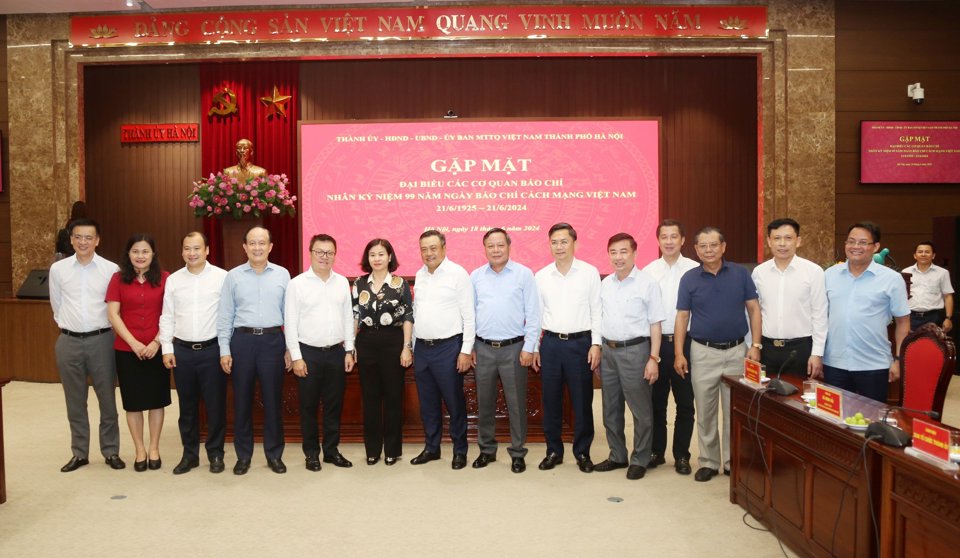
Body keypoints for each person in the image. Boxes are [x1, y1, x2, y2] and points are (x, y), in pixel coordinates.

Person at [674, 226, 761, 482]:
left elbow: (754, 309)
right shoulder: (689, 278)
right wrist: (679, 353)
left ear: (723, 247)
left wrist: (755, 345)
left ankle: (732, 461)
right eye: (703, 246)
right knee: (705, 410)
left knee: (734, 410)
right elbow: (682, 317)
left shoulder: (741, 274)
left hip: (737, 352)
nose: (708, 250)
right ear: (696, 249)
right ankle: (709, 462)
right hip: (702, 352)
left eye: (714, 245)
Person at [49, 217, 125, 472]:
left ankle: (111, 451)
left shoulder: (111, 269)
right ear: (71, 239)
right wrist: (68, 326)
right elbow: (56, 305)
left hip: (102, 340)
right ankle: (79, 452)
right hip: (68, 341)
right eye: (78, 237)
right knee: (75, 400)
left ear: (97, 240)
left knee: (107, 398)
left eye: (89, 237)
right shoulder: (58, 270)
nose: (83, 242)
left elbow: (116, 307)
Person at [217, 225, 292, 475]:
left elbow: (289, 316)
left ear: (270, 247)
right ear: (244, 247)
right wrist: (224, 350)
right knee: (242, 402)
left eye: (262, 243)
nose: (257, 247)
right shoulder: (233, 276)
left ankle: (274, 455)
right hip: (243, 342)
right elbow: (225, 315)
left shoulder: (283, 275)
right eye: (252, 243)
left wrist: (290, 348)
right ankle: (243, 456)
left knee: (272, 402)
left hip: (272, 341)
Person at [470, 228, 540, 473]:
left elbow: (533, 314)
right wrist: (470, 347)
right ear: (485, 249)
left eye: (500, 245)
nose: (496, 250)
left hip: (514, 348)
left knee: (516, 404)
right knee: (485, 403)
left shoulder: (523, 275)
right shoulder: (476, 276)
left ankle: (518, 453)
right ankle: (487, 450)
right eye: (491, 246)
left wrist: (530, 347)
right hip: (484, 347)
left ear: (509, 246)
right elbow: (470, 315)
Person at [533, 223, 602, 473]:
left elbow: (597, 310)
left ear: (575, 243)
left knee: (582, 400)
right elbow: (536, 315)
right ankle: (554, 450)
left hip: (580, 344)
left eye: (564, 241)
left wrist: (596, 344)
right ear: (549, 245)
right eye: (554, 242)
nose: (559, 246)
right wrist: (534, 347)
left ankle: (582, 452)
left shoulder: (589, 273)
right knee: (550, 400)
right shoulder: (541, 276)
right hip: (550, 344)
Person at [158, 232, 229, 474]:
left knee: (215, 406)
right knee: (186, 408)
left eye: (197, 248)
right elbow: (166, 316)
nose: (192, 253)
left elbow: (229, 316)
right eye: (187, 248)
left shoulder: (222, 277)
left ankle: (216, 454)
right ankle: (190, 455)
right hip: (183, 352)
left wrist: (226, 350)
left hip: (213, 350)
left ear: (207, 250)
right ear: (182, 252)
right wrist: (167, 348)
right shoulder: (174, 280)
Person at [596, 233, 665, 480]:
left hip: (636, 351)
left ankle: (640, 458)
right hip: (609, 352)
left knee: (640, 409)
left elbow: (655, 324)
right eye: (613, 252)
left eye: (623, 251)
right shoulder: (605, 283)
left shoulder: (647, 283)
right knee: (610, 408)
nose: (618, 257)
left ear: (634, 253)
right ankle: (617, 455)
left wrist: (653, 359)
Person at [285, 234, 356, 472]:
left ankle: (332, 451)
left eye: (329, 253)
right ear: (311, 253)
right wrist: (296, 356)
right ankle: (311, 453)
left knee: (334, 405)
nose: (324, 257)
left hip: (336, 353)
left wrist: (349, 350)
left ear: (335, 255)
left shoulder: (342, 282)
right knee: (309, 406)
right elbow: (291, 321)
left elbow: (348, 318)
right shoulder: (297, 284)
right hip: (308, 353)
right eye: (320, 252)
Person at [823, 222, 910, 402]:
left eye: (863, 242)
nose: (855, 247)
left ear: (876, 247)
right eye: (851, 241)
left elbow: (903, 323)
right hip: (833, 363)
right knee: (832, 422)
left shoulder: (892, 279)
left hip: (873, 365)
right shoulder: (829, 275)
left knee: (872, 422)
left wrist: (898, 359)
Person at [106, 234, 171, 471]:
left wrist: (156, 342)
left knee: (156, 401)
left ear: (153, 254)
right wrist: (133, 343)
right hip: (126, 349)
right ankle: (140, 450)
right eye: (135, 251)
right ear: (128, 254)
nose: (140, 256)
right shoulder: (117, 279)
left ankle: (154, 447)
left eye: (145, 251)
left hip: (157, 349)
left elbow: (171, 314)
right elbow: (113, 314)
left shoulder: (165, 279)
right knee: (133, 403)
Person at [411, 230, 475, 470]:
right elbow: (417, 314)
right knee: (427, 403)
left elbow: (469, 315)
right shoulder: (420, 275)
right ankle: (432, 447)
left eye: (433, 248)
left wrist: (466, 350)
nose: (429, 253)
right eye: (424, 249)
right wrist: (412, 346)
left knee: (454, 402)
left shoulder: (458, 274)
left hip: (449, 347)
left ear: (444, 248)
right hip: (423, 349)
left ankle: (460, 450)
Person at [642, 219, 698, 475]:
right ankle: (656, 451)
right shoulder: (648, 271)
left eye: (674, 236)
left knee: (685, 403)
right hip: (656, 344)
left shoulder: (695, 269)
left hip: (687, 343)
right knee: (657, 403)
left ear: (683, 240)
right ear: (657, 240)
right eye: (663, 236)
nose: (668, 241)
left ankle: (682, 455)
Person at [353, 238, 414, 466]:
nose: (376, 259)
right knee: (369, 398)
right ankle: (372, 450)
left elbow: (408, 317)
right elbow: (355, 316)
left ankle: (392, 449)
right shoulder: (359, 284)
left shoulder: (401, 284)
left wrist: (406, 347)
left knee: (392, 397)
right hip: (366, 341)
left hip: (393, 341)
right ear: (367, 259)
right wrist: (352, 347)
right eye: (372, 255)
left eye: (381, 254)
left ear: (390, 257)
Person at [752, 218, 827, 379]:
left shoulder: (813, 272)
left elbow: (820, 315)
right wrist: (754, 346)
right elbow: (753, 313)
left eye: (788, 238)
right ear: (769, 241)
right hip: (767, 348)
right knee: (765, 399)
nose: (782, 244)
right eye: (777, 238)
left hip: (800, 350)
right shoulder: (759, 273)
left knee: (798, 402)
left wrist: (817, 353)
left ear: (798, 241)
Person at [903, 241, 954, 333]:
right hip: (911, 317)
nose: (923, 254)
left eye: (927, 252)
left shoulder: (942, 273)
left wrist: (948, 318)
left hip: (934, 317)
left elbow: (948, 296)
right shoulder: (906, 272)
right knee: (911, 346)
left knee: (933, 346)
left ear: (933, 255)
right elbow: (901, 296)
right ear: (915, 255)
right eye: (920, 252)